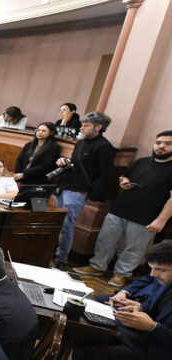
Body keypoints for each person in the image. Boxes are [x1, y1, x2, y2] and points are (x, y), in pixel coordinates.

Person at [73, 240, 172, 360]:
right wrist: (138, 308)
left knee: (87, 355)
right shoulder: (166, 281)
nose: (153, 275)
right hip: (144, 338)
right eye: (152, 268)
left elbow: (158, 326)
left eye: (160, 270)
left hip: (162, 358)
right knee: (84, 335)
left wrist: (153, 327)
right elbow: (155, 307)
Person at [75, 131, 172, 288]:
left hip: (146, 216)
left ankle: (122, 274)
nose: (161, 146)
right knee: (106, 239)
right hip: (120, 208)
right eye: (159, 142)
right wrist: (124, 181)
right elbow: (125, 176)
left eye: (168, 144)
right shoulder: (142, 162)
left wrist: (161, 220)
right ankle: (97, 266)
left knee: (134, 248)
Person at [53, 112, 115, 270]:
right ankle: (52, 251)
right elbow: (76, 163)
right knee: (57, 222)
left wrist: (95, 194)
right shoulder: (81, 142)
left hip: (79, 191)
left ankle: (61, 259)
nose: (82, 127)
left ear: (98, 127)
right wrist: (64, 161)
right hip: (65, 185)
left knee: (67, 225)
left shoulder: (105, 147)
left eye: (86, 125)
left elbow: (105, 174)